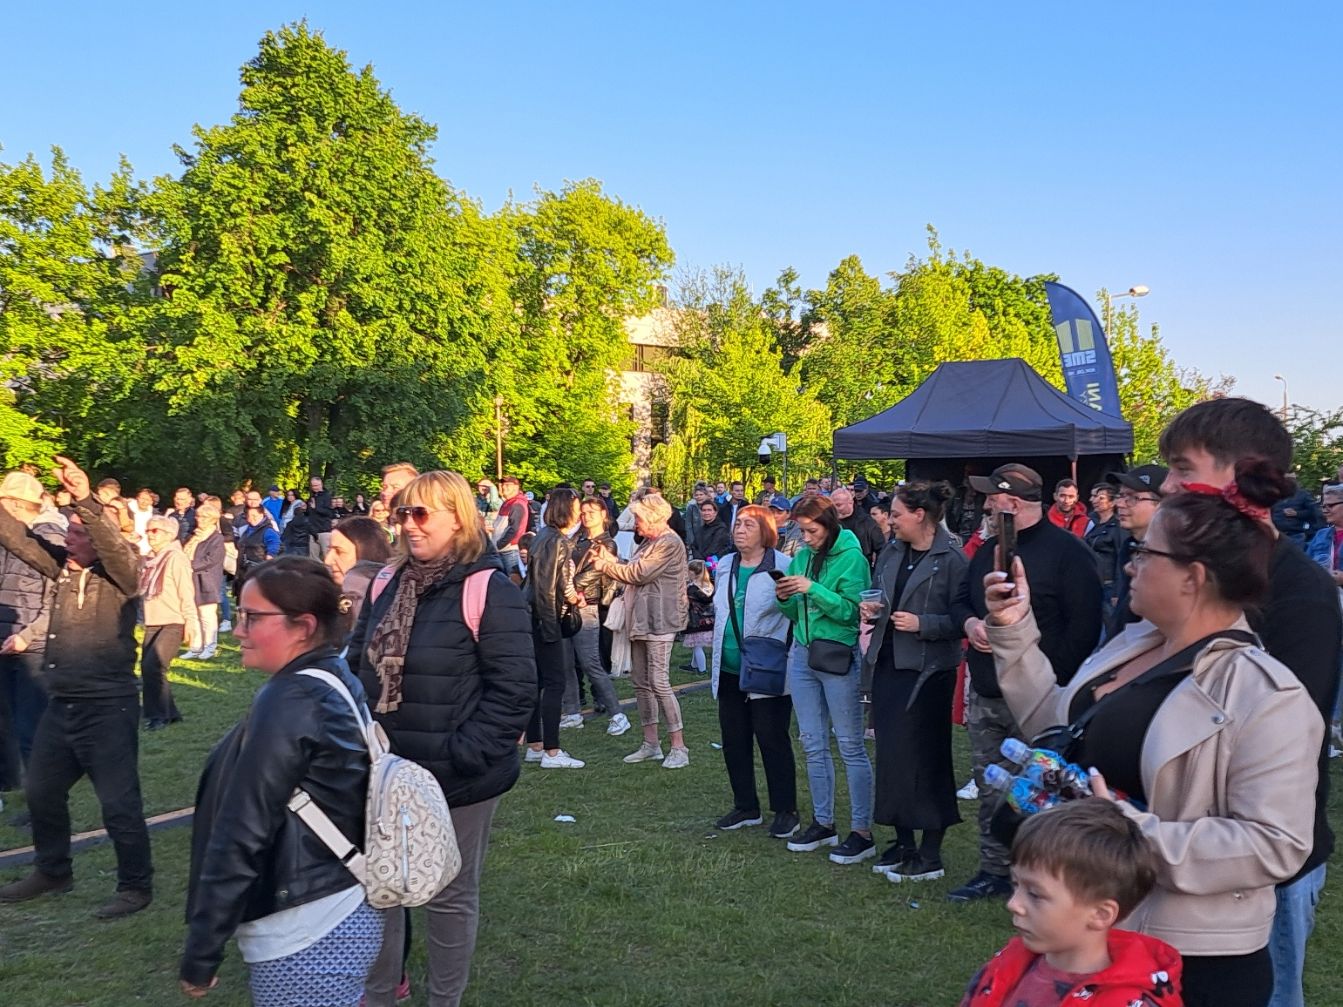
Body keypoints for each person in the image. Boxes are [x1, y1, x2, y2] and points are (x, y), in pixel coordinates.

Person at [985, 463, 1321, 1007]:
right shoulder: (1136, 644)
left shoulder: (1265, 693)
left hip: (1191, 960)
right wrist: (1014, 629)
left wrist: (1129, 833)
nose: (1130, 564)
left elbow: (1276, 844)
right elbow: (1056, 727)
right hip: (1091, 937)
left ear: (1193, 576)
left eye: (1145, 553)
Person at [1159, 398, 1342, 1007]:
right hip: (1179, 846)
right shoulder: (1183, 576)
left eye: (1183, 469)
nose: (1167, 487)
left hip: (1261, 862)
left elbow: (1280, 742)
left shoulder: (1298, 592)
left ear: (1242, 479)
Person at [351, 471, 535, 1007]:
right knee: (381, 888)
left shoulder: (488, 588)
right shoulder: (387, 582)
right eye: (402, 513)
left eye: (421, 513)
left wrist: (462, 755)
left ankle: (444, 1000)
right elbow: (356, 663)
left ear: (458, 518)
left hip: (460, 776)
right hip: (387, 770)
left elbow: (515, 689)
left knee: (449, 894)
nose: (408, 524)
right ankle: (380, 997)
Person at [180, 557, 381, 1005]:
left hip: (306, 929)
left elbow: (242, 831)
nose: (238, 630)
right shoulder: (329, 675)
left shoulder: (292, 699)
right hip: (337, 908)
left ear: (303, 626)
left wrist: (202, 951)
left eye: (253, 617)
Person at [0, 456, 153, 918]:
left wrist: (85, 498)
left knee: (119, 803)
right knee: (42, 791)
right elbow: (18, 538)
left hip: (108, 707)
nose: (68, 539)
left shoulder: (121, 575)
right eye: (68, 531)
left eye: (78, 534)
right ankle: (53, 871)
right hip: (63, 703)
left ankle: (135, 886)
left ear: (100, 541)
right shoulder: (65, 570)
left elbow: (111, 545)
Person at [949, 463, 1103, 903]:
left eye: (991, 498)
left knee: (1038, 791)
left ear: (1011, 503)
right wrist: (971, 623)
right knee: (990, 786)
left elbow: (1084, 628)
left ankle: (1039, 877)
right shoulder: (989, 549)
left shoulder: (1069, 553)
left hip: (1041, 699)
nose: (985, 505)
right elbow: (960, 599)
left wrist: (1051, 684)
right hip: (986, 691)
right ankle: (994, 870)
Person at [959, 800, 1182, 1007]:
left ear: (1100, 914)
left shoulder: (1124, 1000)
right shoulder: (1010, 963)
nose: (1013, 904)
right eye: (1015, 884)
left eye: (1035, 894)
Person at [861, 481, 967, 881]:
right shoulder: (892, 552)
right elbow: (882, 594)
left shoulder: (951, 558)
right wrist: (873, 609)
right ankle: (903, 841)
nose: (891, 520)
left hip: (929, 672)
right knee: (892, 756)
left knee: (927, 757)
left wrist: (924, 624)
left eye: (897, 514)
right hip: (889, 664)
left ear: (920, 515)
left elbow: (963, 618)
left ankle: (931, 852)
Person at [774, 495, 875, 864]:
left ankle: (862, 831)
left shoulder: (852, 557)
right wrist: (784, 595)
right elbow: (792, 611)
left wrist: (812, 589)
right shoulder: (802, 557)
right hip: (802, 654)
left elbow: (852, 613)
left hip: (837, 654)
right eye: (801, 531)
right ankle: (823, 822)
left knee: (850, 745)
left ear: (829, 526)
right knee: (812, 743)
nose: (805, 538)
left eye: (811, 531)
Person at [710, 504, 799, 838]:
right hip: (729, 666)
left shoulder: (783, 566)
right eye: (738, 524)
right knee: (734, 739)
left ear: (766, 531)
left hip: (767, 667)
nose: (740, 529)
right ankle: (745, 805)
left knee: (772, 738)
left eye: (749, 525)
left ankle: (786, 809)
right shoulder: (726, 565)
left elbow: (795, 612)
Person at [591, 493, 691, 768]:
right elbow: (634, 568)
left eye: (639, 518)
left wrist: (606, 566)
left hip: (661, 619)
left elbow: (640, 574)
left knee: (659, 682)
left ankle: (679, 747)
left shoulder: (669, 542)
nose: (635, 523)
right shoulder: (650, 542)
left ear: (653, 518)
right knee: (640, 682)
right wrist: (614, 561)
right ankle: (651, 744)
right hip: (640, 619)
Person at [0, 471, 64, 796]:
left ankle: (43, 799)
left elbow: (58, 599)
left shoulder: (48, 538)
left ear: (14, 504)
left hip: (32, 646)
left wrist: (28, 635)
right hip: (4, 638)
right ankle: (8, 782)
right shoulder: (7, 540)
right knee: (5, 723)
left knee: (32, 730)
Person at [521, 487, 586, 770]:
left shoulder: (542, 537)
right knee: (554, 682)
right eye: (577, 508)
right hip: (544, 619)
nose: (579, 513)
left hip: (533, 616)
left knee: (537, 682)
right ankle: (551, 750)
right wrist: (551, 627)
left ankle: (536, 744)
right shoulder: (556, 541)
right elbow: (548, 589)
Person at [569, 497, 630, 735]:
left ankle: (616, 712)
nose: (586, 516)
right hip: (572, 601)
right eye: (583, 512)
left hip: (590, 603)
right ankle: (573, 711)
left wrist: (567, 587)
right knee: (569, 662)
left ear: (604, 515)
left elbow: (591, 575)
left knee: (591, 661)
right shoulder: (577, 539)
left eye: (592, 512)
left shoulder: (606, 543)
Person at [139, 516, 200, 729]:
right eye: (148, 531)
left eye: (154, 531)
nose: (150, 535)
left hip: (173, 621)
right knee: (147, 667)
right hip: (153, 621)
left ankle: (159, 716)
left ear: (169, 534)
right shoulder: (150, 560)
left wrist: (191, 622)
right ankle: (169, 712)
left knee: (154, 666)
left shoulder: (176, 558)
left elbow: (186, 592)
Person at [1104, 465, 1169, 641]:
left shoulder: (1170, 561)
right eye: (1120, 495)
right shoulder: (1129, 547)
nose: (1119, 504)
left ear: (1161, 505)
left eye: (1133, 498)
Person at [183, 499, 226, 660]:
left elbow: (211, 559)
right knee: (193, 614)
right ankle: (195, 647)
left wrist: (190, 565)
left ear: (212, 519)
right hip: (190, 579)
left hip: (207, 580)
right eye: (198, 516)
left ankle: (210, 646)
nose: (198, 519)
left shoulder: (216, 538)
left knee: (207, 615)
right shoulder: (193, 536)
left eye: (202, 517)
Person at [323, 515, 395, 602]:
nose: (328, 561)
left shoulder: (393, 601)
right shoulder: (323, 599)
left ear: (367, 552)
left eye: (339, 552)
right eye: (329, 550)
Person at [1084, 483, 1124, 618]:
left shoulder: (1118, 527)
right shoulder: (1092, 524)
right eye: (1094, 497)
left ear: (1112, 503)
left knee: (1110, 622)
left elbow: (1121, 558)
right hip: (1093, 582)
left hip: (1109, 584)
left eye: (1100, 498)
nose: (1094, 500)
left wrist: (1117, 591)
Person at [831, 486, 884, 569]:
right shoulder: (828, 520)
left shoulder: (867, 522)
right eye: (831, 505)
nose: (834, 509)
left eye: (838, 505)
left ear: (850, 503)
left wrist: (876, 571)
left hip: (859, 568)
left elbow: (881, 549)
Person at [1270, 474, 1325, 547]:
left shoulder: (1303, 494)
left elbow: (1314, 512)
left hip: (1296, 536)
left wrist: (1297, 513)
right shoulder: (1274, 495)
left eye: (1290, 479)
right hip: (1277, 536)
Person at [680, 559, 715, 674]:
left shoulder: (691, 589)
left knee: (697, 646)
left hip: (695, 621)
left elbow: (685, 603)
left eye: (688, 571)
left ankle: (702, 669)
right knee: (697, 645)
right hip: (708, 620)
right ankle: (693, 665)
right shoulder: (709, 586)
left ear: (694, 572)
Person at [493, 475, 530, 581]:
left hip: (510, 551)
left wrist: (500, 544)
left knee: (514, 582)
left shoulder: (517, 504)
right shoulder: (508, 502)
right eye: (502, 485)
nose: (504, 487)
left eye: (508, 485)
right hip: (504, 550)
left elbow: (514, 528)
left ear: (516, 487)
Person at [307, 475, 336, 561]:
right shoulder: (312, 497)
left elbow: (329, 513)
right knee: (313, 558)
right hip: (312, 531)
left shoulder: (327, 496)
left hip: (324, 530)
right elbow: (309, 513)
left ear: (321, 484)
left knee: (328, 556)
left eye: (316, 485)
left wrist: (316, 508)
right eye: (313, 486)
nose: (314, 488)